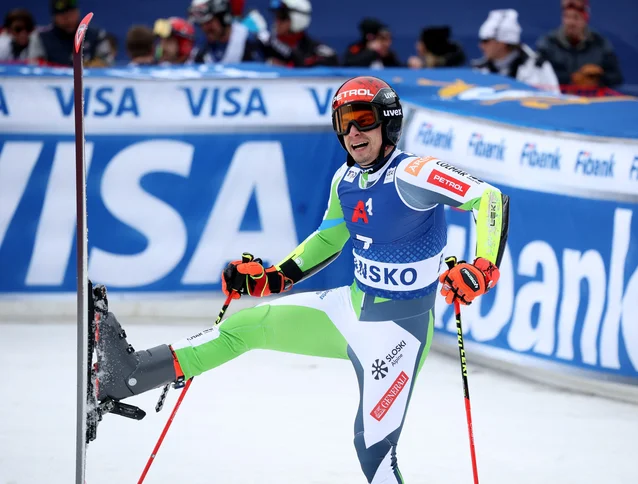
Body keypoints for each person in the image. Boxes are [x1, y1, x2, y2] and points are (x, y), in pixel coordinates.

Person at [93, 75, 510, 483]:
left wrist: (482, 266)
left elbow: (489, 198)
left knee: (374, 455)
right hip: (351, 306)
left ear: (389, 122)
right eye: (343, 122)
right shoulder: (345, 179)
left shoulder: (414, 173)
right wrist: (273, 278)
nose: (352, 132)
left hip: (398, 333)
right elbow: (329, 236)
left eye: (363, 118)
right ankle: (129, 375)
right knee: (242, 327)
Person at [536, 0, 623, 89]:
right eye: (567, 17)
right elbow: (537, 73)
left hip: (592, 100)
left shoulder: (600, 44)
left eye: (576, 17)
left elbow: (616, 77)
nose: (571, 22)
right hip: (557, 99)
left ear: (585, 19)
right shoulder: (548, 43)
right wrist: (572, 79)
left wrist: (598, 79)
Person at [472, 9, 560, 93]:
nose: (481, 45)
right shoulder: (478, 71)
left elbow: (555, 101)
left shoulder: (539, 68)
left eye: (485, 41)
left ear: (502, 42)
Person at [26, 0, 113, 66]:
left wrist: (92, 66)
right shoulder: (40, 37)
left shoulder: (97, 35)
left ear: (78, 12)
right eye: (63, 16)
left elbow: (108, 63)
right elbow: (34, 68)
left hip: (87, 84)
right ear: (54, 17)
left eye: (71, 13)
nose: (68, 19)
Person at [260, 0, 338, 67]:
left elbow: (332, 61)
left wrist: (287, 65)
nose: (277, 22)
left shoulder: (316, 50)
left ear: (297, 19)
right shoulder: (265, 46)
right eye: (276, 16)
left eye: (282, 17)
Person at [188, 0, 266, 63]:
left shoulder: (252, 43)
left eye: (209, 22)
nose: (205, 29)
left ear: (223, 18)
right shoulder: (202, 50)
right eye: (201, 24)